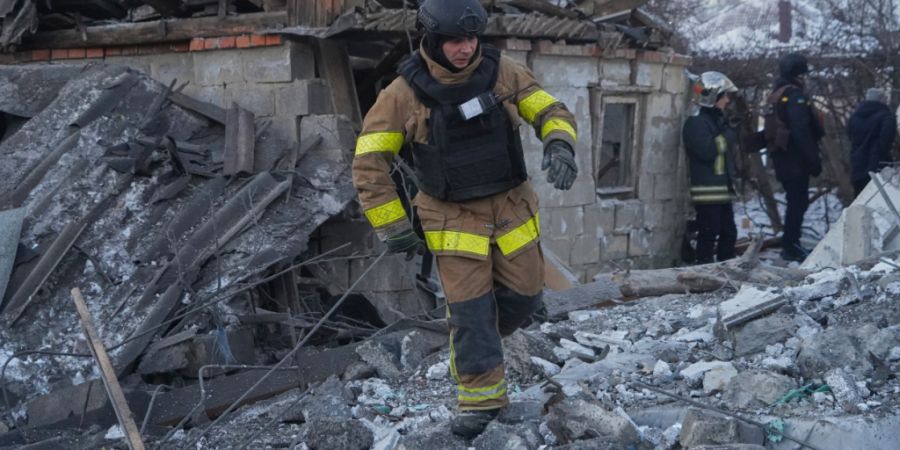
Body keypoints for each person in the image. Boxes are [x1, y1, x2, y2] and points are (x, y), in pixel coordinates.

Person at [351, 0, 578, 439]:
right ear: (433, 40)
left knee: (526, 298)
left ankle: (480, 343)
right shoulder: (401, 94)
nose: (465, 48)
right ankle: (481, 402)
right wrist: (393, 227)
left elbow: (551, 110)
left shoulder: (504, 72)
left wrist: (560, 145)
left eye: (472, 38)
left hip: (511, 209)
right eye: (455, 39)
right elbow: (368, 163)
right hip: (452, 219)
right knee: (472, 315)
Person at [765, 53, 825, 262]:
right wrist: (814, 161)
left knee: (795, 201)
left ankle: (791, 242)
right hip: (795, 160)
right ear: (797, 74)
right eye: (803, 74)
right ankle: (791, 245)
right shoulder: (795, 96)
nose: (805, 78)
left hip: (782, 159)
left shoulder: (777, 93)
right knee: (797, 203)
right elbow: (801, 131)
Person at [682, 71, 739, 264]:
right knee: (709, 233)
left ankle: (727, 269)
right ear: (714, 97)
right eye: (725, 96)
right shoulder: (696, 122)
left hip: (720, 189)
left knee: (729, 233)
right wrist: (727, 136)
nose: (728, 100)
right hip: (707, 191)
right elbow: (707, 151)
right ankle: (704, 271)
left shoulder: (713, 119)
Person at [848, 88, 896, 196]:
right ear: (882, 100)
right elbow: (887, 137)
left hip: (857, 169)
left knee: (861, 203)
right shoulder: (886, 117)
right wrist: (882, 154)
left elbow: (851, 137)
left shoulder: (854, 118)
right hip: (879, 169)